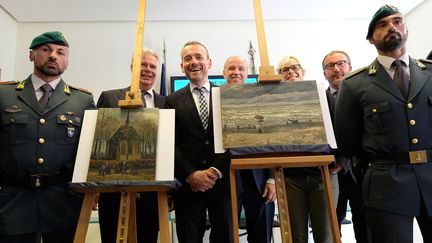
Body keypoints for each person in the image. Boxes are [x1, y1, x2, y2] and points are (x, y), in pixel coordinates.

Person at [335, 5, 432, 243]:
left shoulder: (429, 73)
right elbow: (348, 140)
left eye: (397, 21)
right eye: (382, 25)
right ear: (371, 38)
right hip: (386, 184)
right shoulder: (355, 84)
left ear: (406, 28)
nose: (392, 27)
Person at [0, 31, 95, 243]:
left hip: (62, 201)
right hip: (12, 201)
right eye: (46, 50)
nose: (53, 55)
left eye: (60, 52)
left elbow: (88, 151)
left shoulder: (82, 100)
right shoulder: (4, 94)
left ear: (67, 62)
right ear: (31, 55)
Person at [165, 41, 233, 243]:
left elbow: (233, 138)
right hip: (188, 187)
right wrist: (190, 174)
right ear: (181, 66)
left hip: (221, 184)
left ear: (209, 62)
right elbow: (170, 142)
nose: (193, 62)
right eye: (187, 59)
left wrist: (214, 171)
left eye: (198, 57)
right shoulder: (171, 101)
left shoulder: (226, 96)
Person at [96, 48, 165, 243]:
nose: (148, 70)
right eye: (143, 65)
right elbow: (98, 138)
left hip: (152, 192)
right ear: (132, 67)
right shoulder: (109, 97)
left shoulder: (166, 102)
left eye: (152, 66)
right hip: (113, 192)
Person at [277, 55, 339, 243]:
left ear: (303, 71)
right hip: (290, 178)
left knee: (326, 235)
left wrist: (342, 161)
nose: (290, 72)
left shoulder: (323, 96)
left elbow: (341, 127)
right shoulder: (275, 103)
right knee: (297, 236)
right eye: (284, 70)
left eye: (295, 67)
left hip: (323, 174)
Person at [223, 55, 277, 243]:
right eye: (231, 68)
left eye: (241, 69)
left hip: (260, 178)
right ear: (223, 73)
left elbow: (272, 140)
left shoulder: (261, 100)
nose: (236, 72)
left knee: (261, 235)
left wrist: (272, 178)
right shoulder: (215, 98)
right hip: (227, 176)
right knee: (227, 235)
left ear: (247, 74)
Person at [322, 50, 370, 243]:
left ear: (350, 67)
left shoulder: (364, 96)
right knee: (331, 225)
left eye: (341, 63)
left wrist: (346, 159)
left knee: (364, 224)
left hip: (359, 171)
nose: (336, 69)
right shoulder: (318, 99)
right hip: (328, 172)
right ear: (324, 73)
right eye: (330, 66)